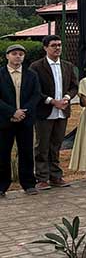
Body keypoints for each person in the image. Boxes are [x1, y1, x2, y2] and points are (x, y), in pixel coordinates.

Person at [29, 35, 78, 190]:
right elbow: (34, 90)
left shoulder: (68, 66)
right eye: (53, 45)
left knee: (56, 145)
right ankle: (42, 178)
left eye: (59, 45)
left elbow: (74, 86)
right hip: (45, 111)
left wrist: (67, 98)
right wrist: (51, 101)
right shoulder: (36, 67)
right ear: (45, 48)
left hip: (62, 111)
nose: (57, 48)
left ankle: (56, 176)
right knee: (42, 146)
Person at [1, 44, 41, 196]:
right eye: (14, 54)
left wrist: (23, 112)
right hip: (5, 120)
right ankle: (2, 186)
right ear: (7, 56)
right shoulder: (1, 74)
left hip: (25, 120)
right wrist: (12, 112)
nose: (18, 56)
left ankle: (29, 184)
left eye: (20, 54)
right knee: (3, 153)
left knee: (26, 152)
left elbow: (36, 94)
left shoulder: (31, 75)